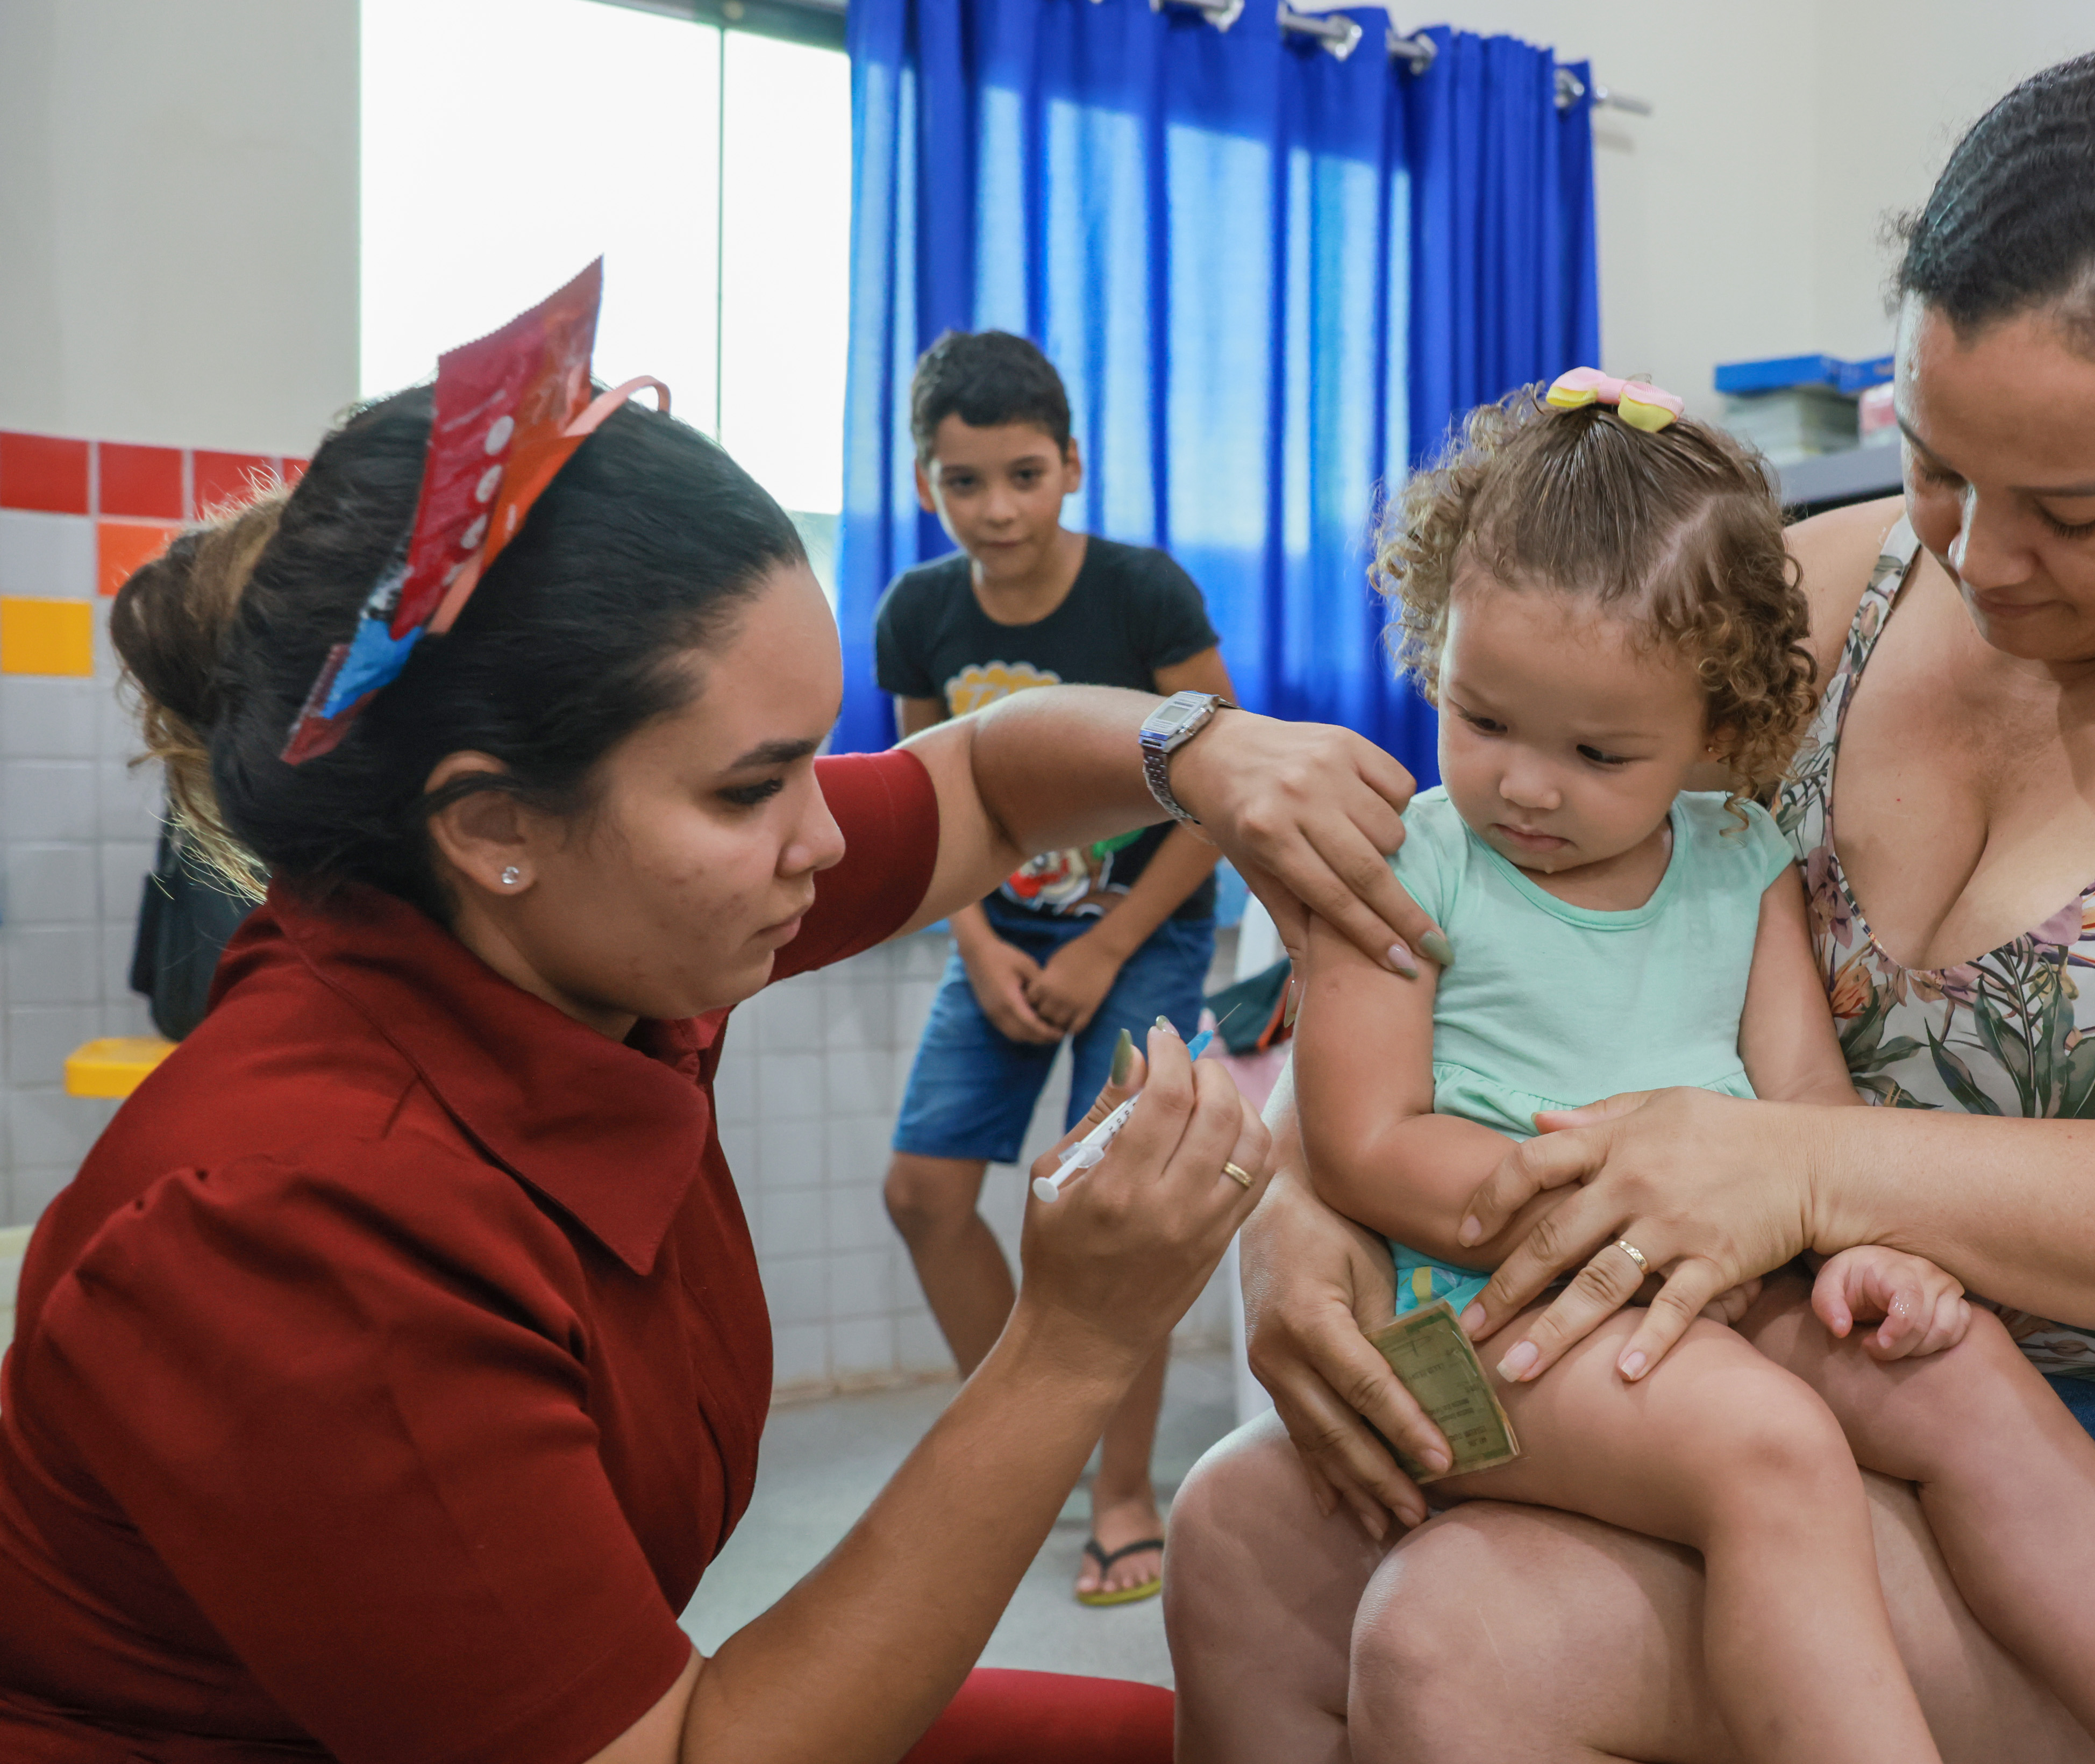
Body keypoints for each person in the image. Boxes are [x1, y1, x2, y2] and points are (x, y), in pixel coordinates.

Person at [1167, 35, 2095, 1759]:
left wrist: (1810, 1167)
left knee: (1468, 1634)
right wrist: (1310, 1214)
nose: (1979, 555)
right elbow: (1513, 922)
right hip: (1802, 1349)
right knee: (1246, 1539)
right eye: (1933, 463)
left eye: (2070, 507)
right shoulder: (1821, 598)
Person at [0, 374, 1443, 1763]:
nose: (819, 842)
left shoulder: (573, 948)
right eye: (752, 789)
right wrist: (1070, 1343)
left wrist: (1199, 749)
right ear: (492, 822)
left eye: (815, 763)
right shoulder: (298, 1225)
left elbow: (983, 782)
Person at [1298, 372, 2095, 1762]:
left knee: (1966, 1372)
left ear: (1715, 733)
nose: (1529, 786)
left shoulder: (1740, 859)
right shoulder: (1407, 861)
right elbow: (1363, 1141)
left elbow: (1806, 1111)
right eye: (1483, 718)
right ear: (1438, 645)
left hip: (1725, 1276)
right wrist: (1601, 1203)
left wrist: (1877, 1251)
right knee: (1771, 1451)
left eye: (1598, 750)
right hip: (1487, 1312)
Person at [874, 331, 1233, 1606]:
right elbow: (924, 807)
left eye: (1023, 474)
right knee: (921, 1193)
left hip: (1142, 921)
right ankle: (1036, 1429)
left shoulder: (1144, 597)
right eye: (964, 483)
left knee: (1102, 1205)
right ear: (927, 485)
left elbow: (1218, 792)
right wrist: (975, 944)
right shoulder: (917, 613)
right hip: (994, 925)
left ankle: (1122, 1493)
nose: (997, 509)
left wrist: (1107, 943)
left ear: (1071, 467)